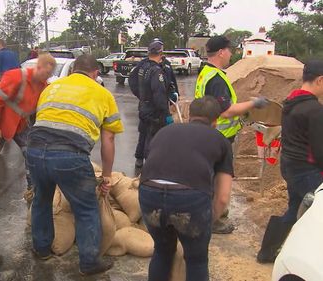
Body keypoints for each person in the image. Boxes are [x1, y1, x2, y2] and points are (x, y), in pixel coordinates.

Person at [26, 54, 124, 276]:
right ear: (96, 73)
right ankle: (89, 262)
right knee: (86, 208)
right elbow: (108, 140)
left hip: (34, 151)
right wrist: (106, 175)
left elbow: (37, 119)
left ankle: (41, 249)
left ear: (72, 71)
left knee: (42, 199)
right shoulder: (103, 94)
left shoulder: (51, 87)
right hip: (69, 157)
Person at [139, 96, 234, 281]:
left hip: (149, 193)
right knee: (196, 259)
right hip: (189, 198)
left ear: (190, 115)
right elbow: (223, 197)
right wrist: (208, 219)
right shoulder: (220, 140)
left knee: (162, 250)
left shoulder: (165, 131)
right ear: (216, 120)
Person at [194, 35, 268, 234]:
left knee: (209, 177)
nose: (231, 54)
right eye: (229, 50)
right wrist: (254, 104)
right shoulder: (216, 78)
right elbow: (225, 110)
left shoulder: (206, 73)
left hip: (208, 133)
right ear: (221, 52)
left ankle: (210, 214)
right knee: (218, 178)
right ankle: (214, 220)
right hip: (220, 136)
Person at [257, 59, 323, 263]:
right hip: (308, 171)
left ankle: (267, 252)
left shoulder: (291, 102)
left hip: (291, 166)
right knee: (315, 214)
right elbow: (320, 150)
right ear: (320, 80)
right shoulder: (315, 110)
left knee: (295, 209)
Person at [0, 53, 56, 192]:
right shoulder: (16, 77)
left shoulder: (43, 86)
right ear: (38, 67)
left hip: (21, 126)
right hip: (1, 123)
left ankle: (32, 188)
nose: (48, 76)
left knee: (30, 153)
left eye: (50, 74)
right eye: (47, 72)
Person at [129, 38, 177, 168]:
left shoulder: (143, 66)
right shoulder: (156, 70)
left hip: (144, 106)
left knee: (145, 133)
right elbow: (159, 94)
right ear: (160, 53)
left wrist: (142, 96)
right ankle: (150, 165)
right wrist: (166, 114)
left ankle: (142, 160)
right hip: (154, 110)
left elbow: (132, 82)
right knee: (152, 136)